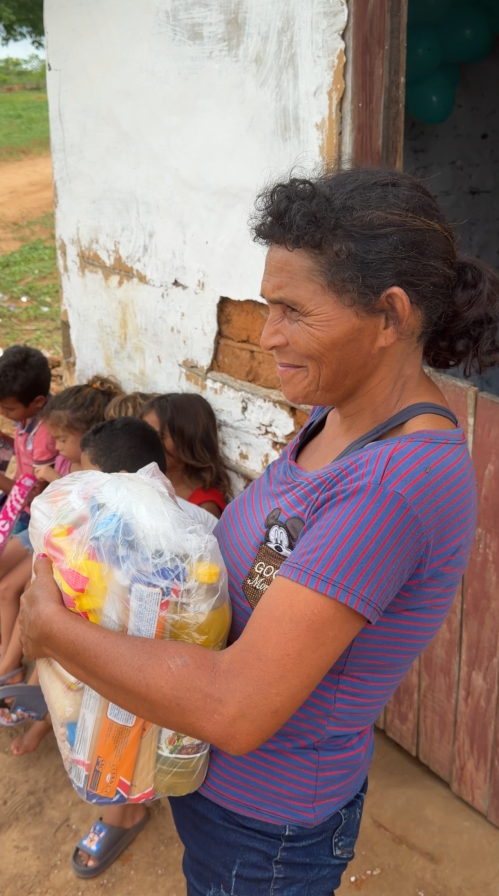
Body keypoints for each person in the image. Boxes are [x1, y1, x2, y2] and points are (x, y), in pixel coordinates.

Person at [19, 168, 499, 895]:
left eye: (292, 311)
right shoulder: (332, 418)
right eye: (265, 306)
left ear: (390, 316)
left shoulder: (394, 483)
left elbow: (233, 708)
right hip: (215, 790)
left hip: (266, 825)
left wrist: (53, 633)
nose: (267, 335)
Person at [0, 376, 123, 745]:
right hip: (54, 544)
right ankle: (10, 670)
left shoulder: (92, 474)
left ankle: (29, 698)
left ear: (88, 439)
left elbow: (83, 517)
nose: (54, 446)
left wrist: (53, 480)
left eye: (62, 440)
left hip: (78, 562)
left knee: (44, 613)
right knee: (16, 591)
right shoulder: (69, 462)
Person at [0, 346, 56, 663]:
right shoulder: (28, 420)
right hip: (21, 513)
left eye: (8, 409)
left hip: (36, 517)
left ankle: (8, 661)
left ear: (36, 402)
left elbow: (36, 492)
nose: (4, 413)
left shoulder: (46, 434)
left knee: (9, 587)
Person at [142, 393, 230, 518]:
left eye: (160, 436)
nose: (146, 442)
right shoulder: (147, 479)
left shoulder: (204, 508)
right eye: (143, 433)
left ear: (189, 440)